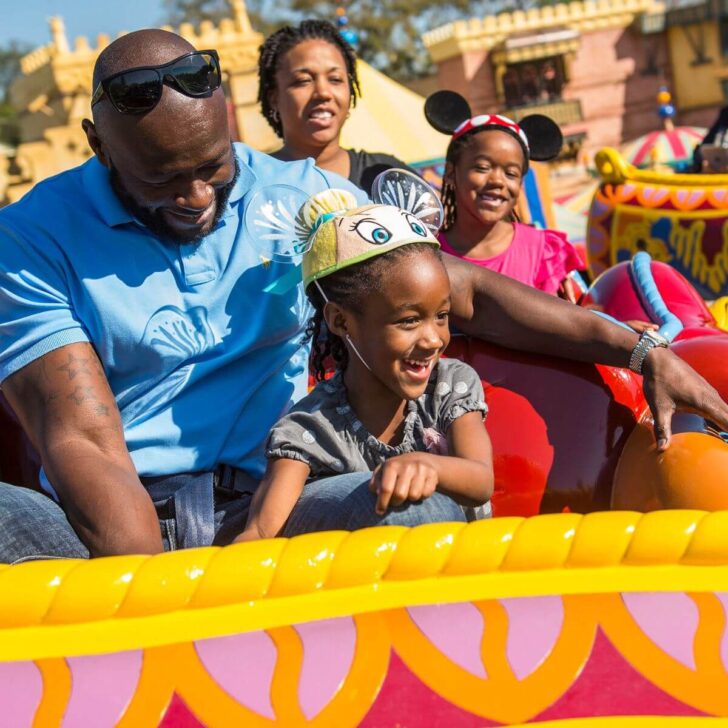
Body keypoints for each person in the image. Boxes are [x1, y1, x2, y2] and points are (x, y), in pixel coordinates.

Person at [0, 30, 727, 564]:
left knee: (426, 512)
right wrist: (164, 609)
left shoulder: (308, 196)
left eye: (212, 169)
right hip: (112, 531)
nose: (194, 197)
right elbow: (83, 441)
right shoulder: (33, 237)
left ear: (229, 121)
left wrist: (640, 348)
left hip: (279, 503)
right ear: (99, 144)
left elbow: (467, 292)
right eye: (161, 180)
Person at [239, 190, 493, 540]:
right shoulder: (310, 428)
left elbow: (480, 480)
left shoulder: (449, 386)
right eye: (408, 321)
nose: (433, 339)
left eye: (442, 316)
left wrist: (428, 465)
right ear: (341, 321)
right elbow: (261, 531)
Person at [426, 90, 584, 302]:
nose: (498, 181)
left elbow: (577, 321)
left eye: (511, 173)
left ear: (520, 183)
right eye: (482, 167)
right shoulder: (428, 255)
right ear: (451, 172)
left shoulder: (543, 252)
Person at [257, 19, 414, 195]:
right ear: (273, 98)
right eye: (303, 81)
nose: (323, 93)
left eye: (335, 79)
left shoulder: (388, 176)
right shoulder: (254, 184)